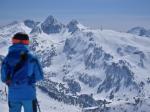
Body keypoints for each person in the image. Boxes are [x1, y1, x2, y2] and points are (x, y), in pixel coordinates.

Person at [1, 32, 44, 112]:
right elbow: (39, 76)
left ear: (14, 42)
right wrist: (30, 80)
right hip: (29, 95)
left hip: (13, 95)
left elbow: (3, 78)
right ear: (26, 43)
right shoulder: (32, 57)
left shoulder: (7, 59)